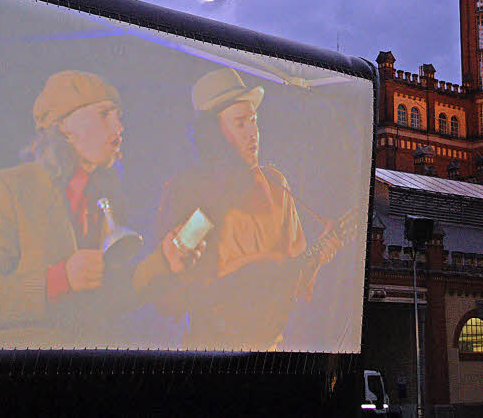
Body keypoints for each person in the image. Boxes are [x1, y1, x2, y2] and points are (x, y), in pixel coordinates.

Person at [0, 70, 192, 348]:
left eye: (118, 116)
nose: (119, 126)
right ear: (65, 127)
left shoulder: (103, 196)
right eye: (104, 114)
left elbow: (111, 296)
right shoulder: (9, 188)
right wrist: (60, 279)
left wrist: (164, 260)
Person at [134, 67, 341, 351]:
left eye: (254, 121)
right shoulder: (187, 189)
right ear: (212, 134)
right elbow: (167, 299)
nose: (253, 133)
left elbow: (295, 282)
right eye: (240, 123)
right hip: (208, 357)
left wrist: (317, 258)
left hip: (269, 355)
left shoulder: (275, 184)